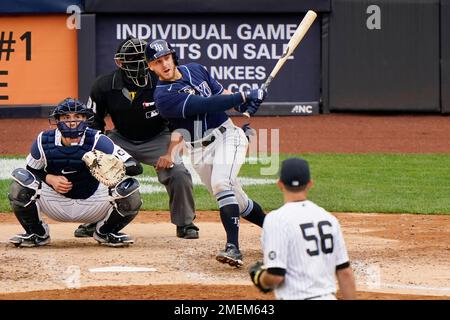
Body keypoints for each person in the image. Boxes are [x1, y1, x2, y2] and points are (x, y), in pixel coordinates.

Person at [145, 39, 267, 267]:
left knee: (222, 184)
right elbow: (205, 104)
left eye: (166, 58)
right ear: (151, 67)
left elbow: (222, 94)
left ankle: (233, 248)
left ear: (173, 57)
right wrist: (244, 96)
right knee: (237, 202)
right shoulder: (163, 97)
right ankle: (274, 229)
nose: (164, 65)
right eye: (157, 62)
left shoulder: (197, 69)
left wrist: (247, 104)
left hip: (227, 137)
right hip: (197, 151)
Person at [76, 37, 199, 240]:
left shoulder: (163, 81)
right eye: (132, 58)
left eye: (143, 58)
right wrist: (98, 149)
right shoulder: (104, 85)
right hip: (121, 137)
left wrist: (170, 152)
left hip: (159, 136)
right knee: (94, 166)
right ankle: (94, 218)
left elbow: (180, 122)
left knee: (178, 171)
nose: (139, 62)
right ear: (120, 62)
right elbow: (94, 122)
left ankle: (185, 223)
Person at [8, 98, 143, 247]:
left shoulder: (98, 140)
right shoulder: (43, 141)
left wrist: (116, 165)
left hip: (93, 202)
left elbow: (136, 167)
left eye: (77, 117)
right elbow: (31, 169)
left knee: (130, 191)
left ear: (85, 119)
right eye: (66, 117)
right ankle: (37, 234)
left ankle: (106, 232)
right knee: (19, 185)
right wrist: (50, 178)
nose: (72, 122)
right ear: (58, 120)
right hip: (55, 202)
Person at [248, 157, 356, 300]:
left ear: (280, 184)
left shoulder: (276, 219)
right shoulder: (329, 219)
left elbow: (275, 277)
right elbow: (345, 273)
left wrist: (260, 277)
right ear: (309, 184)